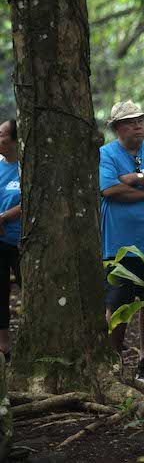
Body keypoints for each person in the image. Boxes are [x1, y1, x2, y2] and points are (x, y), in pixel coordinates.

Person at [100, 101, 144, 377]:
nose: (137, 126)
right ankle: (113, 359)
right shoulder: (106, 154)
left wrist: (135, 177)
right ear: (118, 128)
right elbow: (110, 190)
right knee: (117, 303)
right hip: (119, 246)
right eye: (130, 122)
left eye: (140, 120)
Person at [0, 120, 21, 359]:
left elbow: (32, 200)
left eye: (1, 134)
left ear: (14, 140)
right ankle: (3, 345)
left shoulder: (27, 166)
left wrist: (4, 217)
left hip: (22, 239)